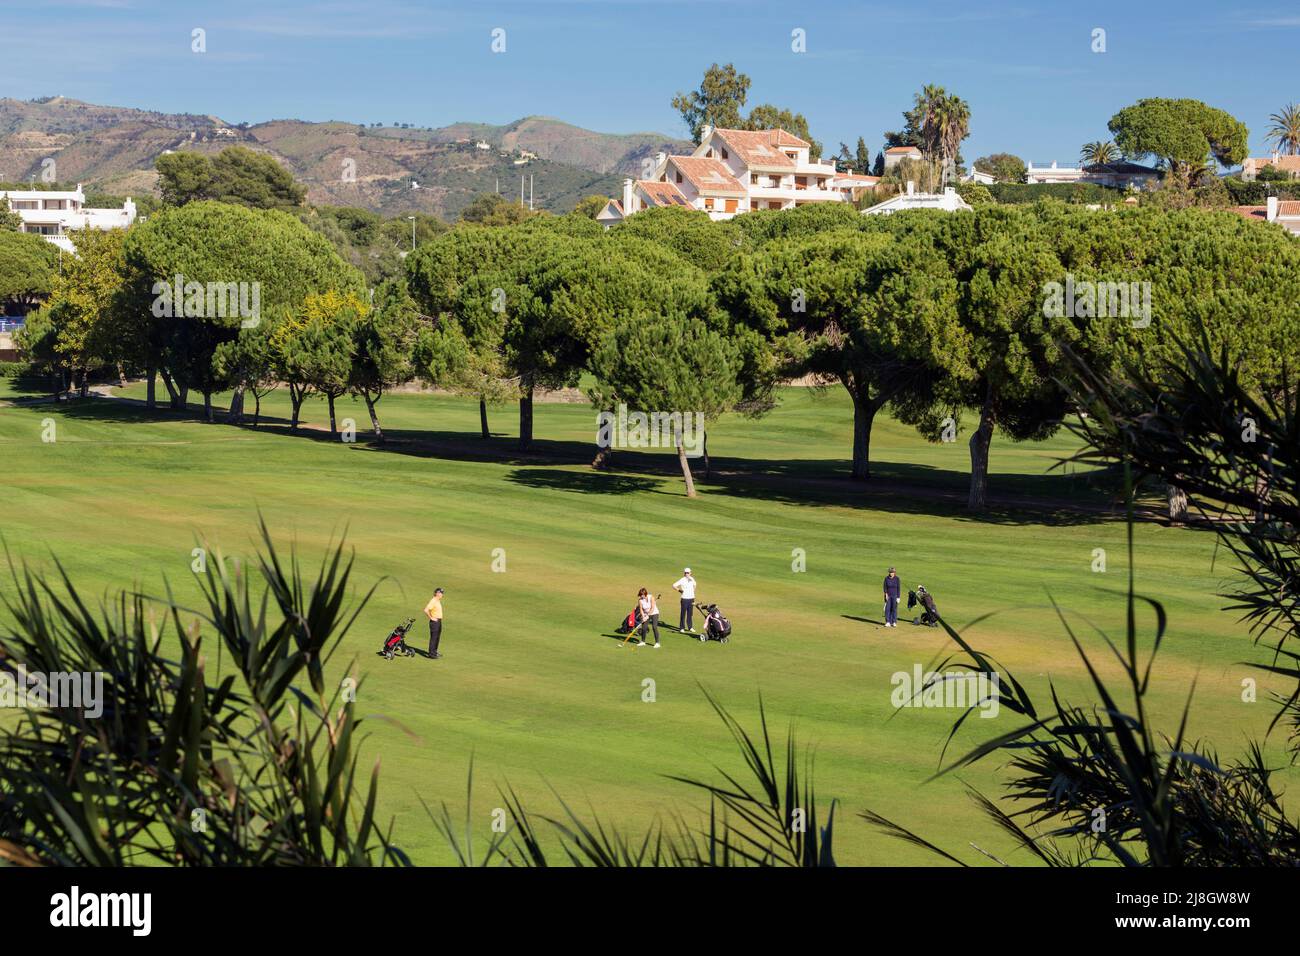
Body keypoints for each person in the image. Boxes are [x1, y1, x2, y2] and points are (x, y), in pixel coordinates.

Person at [673, 567, 697, 633]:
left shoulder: (692, 579)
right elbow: (674, 585)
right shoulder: (682, 579)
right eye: (686, 573)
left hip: (691, 599)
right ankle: (682, 628)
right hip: (684, 599)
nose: (687, 574)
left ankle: (690, 627)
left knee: (690, 614)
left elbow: (695, 585)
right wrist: (680, 590)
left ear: (690, 573)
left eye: (688, 573)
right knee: (683, 613)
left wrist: (693, 591)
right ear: (684, 573)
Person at [424, 587, 445, 658]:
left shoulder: (438, 600)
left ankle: (435, 651)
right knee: (434, 637)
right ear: (436, 593)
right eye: (440, 593)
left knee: (437, 637)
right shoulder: (433, 600)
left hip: (438, 621)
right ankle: (431, 654)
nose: (442, 594)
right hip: (434, 622)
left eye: (442, 593)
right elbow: (426, 610)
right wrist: (431, 617)